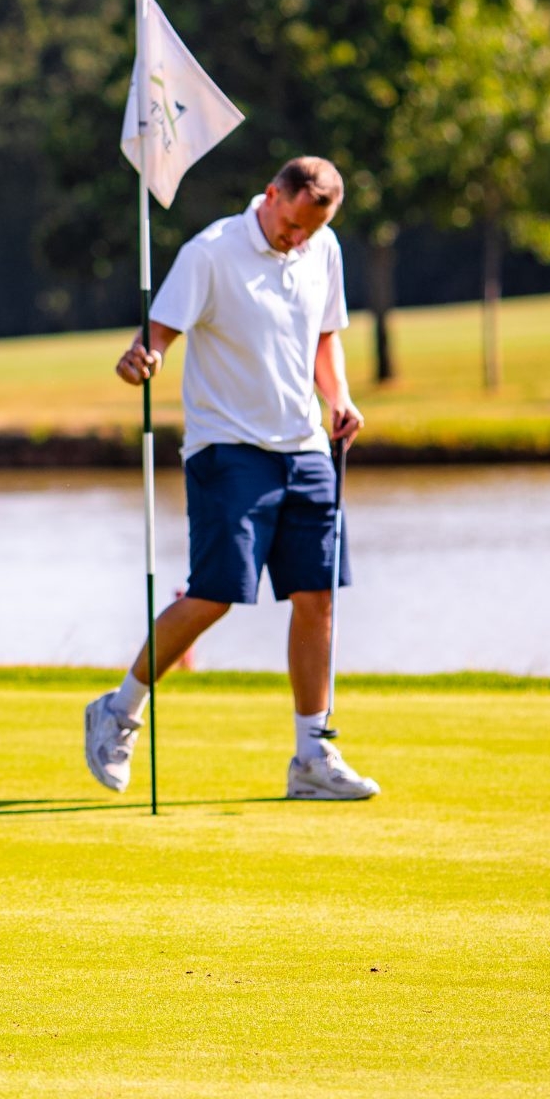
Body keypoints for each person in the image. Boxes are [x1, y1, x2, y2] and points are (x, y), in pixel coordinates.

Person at [84, 156, 379, 801]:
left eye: (311, 230)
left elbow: (325, 337)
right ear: (271, 195)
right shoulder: (210, 252)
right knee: (214, 595)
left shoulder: (322, 247)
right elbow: (157, 334)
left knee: (317, 596)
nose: (297, 239)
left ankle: (312, 756)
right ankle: (119, 709)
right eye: (292, 225)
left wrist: (340, 397)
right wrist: (145, 358)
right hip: (228, 448)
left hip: (305, 447)